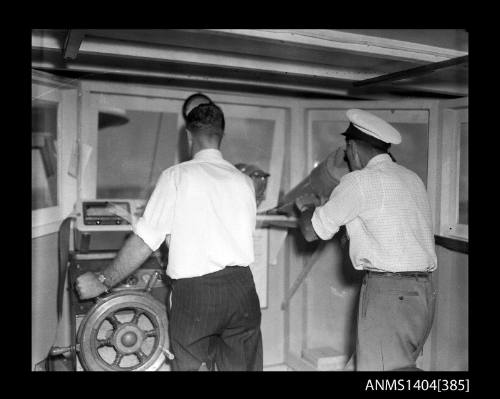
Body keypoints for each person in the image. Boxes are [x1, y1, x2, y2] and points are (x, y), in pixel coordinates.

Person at [75, 100, 263, 371]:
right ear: (220, 136)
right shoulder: (245, 182)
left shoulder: (176, 176)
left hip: (197, 294)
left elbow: (145, 241)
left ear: (189, 136)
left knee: (187, 366)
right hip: (242, 288)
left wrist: (103, 280)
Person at [296, 109, 437, 371]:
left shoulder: (359, 181)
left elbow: (309, 231)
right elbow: (383, 230)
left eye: (347, 153)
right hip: (422, 294)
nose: (348, 159)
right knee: (380, 366)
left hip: (389, 295)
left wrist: (304, 207)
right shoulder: (411, 178)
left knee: (383, 374)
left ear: (352, 148)